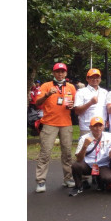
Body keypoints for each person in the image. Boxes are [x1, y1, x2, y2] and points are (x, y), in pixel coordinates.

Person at [34, 63, 77, 193]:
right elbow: (37, 102)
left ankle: (68, 178)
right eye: (57, 71)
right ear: (53, 73)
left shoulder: (71, 87)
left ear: (66, 73)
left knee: (67, 153)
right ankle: (40, 181)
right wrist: (47, 95)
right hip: (49, 123)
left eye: (62, 71)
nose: (60, 74)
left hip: (66, 123)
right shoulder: (46, 86)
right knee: (45, 152)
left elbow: (74, 104)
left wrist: (72, 106)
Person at [69, 117, 111, 196]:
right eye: (95, 126)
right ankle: (78, 187)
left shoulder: (110, 136)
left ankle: (99, 180)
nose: (98, 128)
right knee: (75, 165)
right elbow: (79, 159)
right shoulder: (84, 138)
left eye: (100, 126)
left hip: (103, 164)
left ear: (103, 126)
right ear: (90, 127)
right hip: (88, 165)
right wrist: (85, 146)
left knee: (108, 178)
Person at [74, 68, 108, 138]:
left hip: (101, 127)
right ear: (87, 78)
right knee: (86, 148)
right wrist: (90, 103)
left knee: (101, 148)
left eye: (97, 77)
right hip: (87, 127)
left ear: (100, 79)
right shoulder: (81, 92)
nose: (95, 79)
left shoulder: (105, 92)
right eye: (92, 77)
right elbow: (77, 111)